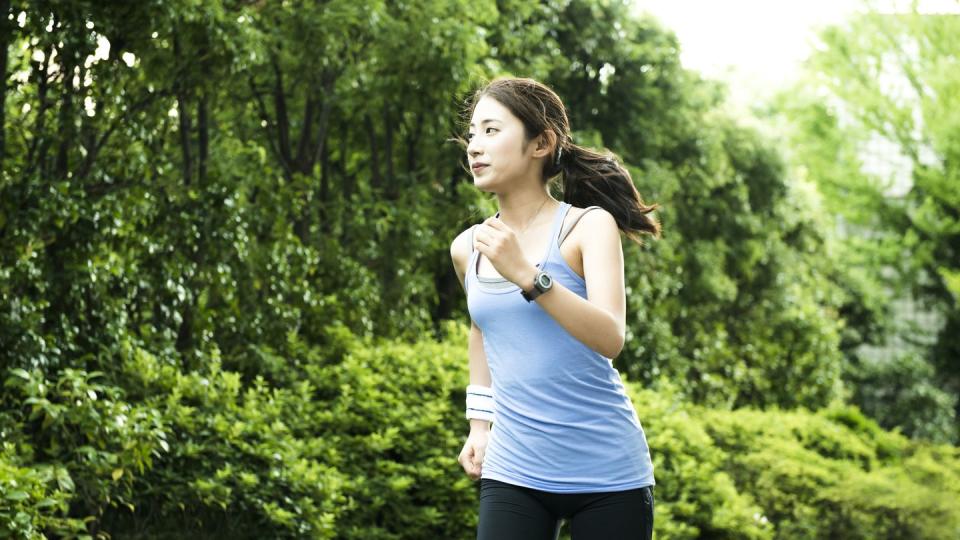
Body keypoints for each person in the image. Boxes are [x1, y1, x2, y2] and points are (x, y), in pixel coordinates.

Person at [448, 76, 662, 540]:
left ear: (541, 142)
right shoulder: (469, 248)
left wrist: (529, 275)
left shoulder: (588, 227)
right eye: (471, 134)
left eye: (491, 131)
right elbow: (483, 331)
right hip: (513, 468)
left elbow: (610, 337)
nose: (474, 147)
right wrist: (479, 425)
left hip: (608, 475)